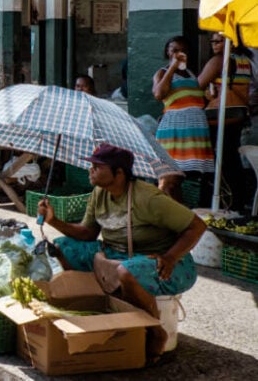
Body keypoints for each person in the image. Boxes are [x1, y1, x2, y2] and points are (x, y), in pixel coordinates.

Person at [38, 144, 206, 361]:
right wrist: (54, 221)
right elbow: (88, 233)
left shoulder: (148, 198)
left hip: (165, 263)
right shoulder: (99, 193)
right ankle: (99, 304)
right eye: (91, 165)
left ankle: (154, 331)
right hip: (116, 254)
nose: (90, 170)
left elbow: (198, 226)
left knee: (126, 272)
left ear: (119, 173)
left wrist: (171, 257)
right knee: (63, 247)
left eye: (97, 166)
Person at [152, 36, 213, 202]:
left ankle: (178, 216)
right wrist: (173, 67)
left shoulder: (192, 74)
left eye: (183, 50)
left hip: (194, 132)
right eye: (174, 50)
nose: (179, 54)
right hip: (175, 131)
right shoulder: (162, 72)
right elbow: (159, 94)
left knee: (182, 178)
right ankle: (162, 215)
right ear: (168, 52)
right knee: (170, 178)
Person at [199, 38, 254, 210]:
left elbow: (196, 85)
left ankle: (218, 201)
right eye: (213, 41)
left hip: (220, 117)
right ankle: (237, 201)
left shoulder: (218, 61)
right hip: (239, 114)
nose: (214, 44)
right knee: (232, 160)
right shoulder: (245, 61)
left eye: (220, 41)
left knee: (217, 161)